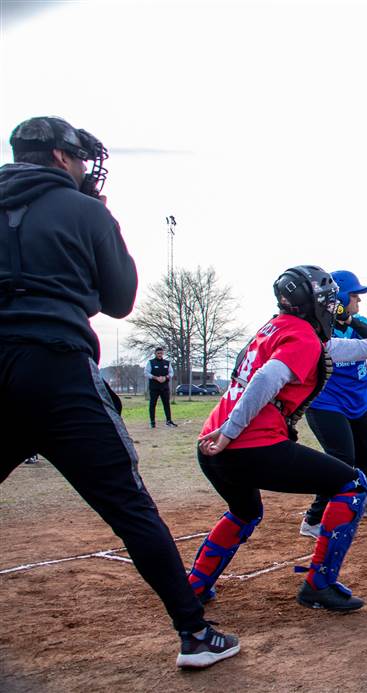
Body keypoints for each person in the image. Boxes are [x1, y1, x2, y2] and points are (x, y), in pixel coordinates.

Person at [0, 116, 238, 668]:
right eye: (79, 159)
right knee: (129, 506)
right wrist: (95, 219)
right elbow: (119, 299)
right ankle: (194, 634)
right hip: (56, 366)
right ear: (61, 157)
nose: (84, 168)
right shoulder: (83, 210)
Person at [189, 265, 367, 614]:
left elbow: (333, 349)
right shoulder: (302, 336)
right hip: (247, 444)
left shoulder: (275, 328)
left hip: (214, 445)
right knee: (353, 484)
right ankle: (318, 584)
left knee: (245, 511)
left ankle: (196, 585)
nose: (331, 307)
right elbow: (267, 378)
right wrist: (231, 432)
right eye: (326, 301)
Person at [300, 270, 367, 535]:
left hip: (359, 402)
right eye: (354, 297)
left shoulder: (358, 322)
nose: (359, 301)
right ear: (340, 298)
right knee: (341, 460)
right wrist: (334, 318)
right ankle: (312, 520)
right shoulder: (318, 327)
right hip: (327, 404)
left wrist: (349, 318)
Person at [147, 346, 177, 428]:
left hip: (164, 387)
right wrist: (156, 378)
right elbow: (147, 373)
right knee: (153, 404)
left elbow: (171, 373)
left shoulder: (167, 363)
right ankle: (152, 422)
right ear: (155, 354)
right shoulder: (150, 362)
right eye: (158, 353)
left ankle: (169, 421)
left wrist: (166, 377)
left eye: (161, 353)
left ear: (163, 353)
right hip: (154, 387)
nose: (160, 355)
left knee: (166, 404)